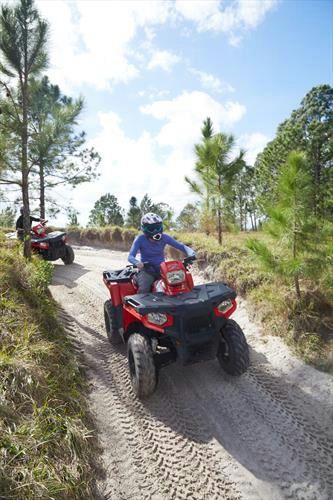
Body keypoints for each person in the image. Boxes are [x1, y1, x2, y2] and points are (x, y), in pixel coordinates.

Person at [128, 212, 196, 293]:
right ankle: (139, 305)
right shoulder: (140, 239)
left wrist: (191, 253)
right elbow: (130, 256)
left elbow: (181, 246)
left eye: (158, 227)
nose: (156, 230)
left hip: (162, 270)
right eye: (152, 228)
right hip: (147, 271)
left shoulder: (164, 237)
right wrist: (137, 263)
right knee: (144, 288)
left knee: (180, 284)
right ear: (144, 228)